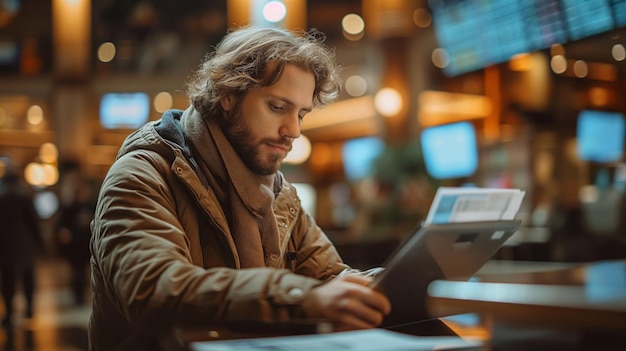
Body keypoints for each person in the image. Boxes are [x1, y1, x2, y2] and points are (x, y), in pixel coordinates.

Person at [89, 25, 391, 350]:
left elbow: (329, 278)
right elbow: (154, 289)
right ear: (228, 95)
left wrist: (386, 284)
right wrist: (299, 298)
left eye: (301, 114)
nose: (293, 130)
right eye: (277, 107)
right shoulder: (143, 173)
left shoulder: (278, 193)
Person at [0, 169, 44, 329]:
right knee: (28, 278)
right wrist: (40, 244)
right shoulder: (25, 197)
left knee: (7, 281)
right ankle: (29, 309)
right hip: (25, 245)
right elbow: (34, 222)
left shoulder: (2, 197)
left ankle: (9, 313)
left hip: (5, 246)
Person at [55, 173, 95, 306]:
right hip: (74, 246)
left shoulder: (91, 206)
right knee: (77, 272)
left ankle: (82, 294)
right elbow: (61, 225)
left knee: (83, 272)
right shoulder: (70, 207)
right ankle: (77, 296)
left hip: (85, 245)